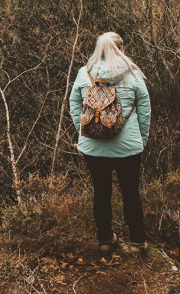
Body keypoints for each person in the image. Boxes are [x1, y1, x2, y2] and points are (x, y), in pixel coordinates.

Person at [69, 32, 152, 254]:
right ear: (121, 49)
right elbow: (144, 110)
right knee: (131, 193)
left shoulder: (84, 73)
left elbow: (74, 105)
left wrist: (85, 132)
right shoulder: (133, 74)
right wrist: (140, 140)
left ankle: (106, 240)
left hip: (93, 148)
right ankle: (137, 243)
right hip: (128, 149)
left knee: (101, 193)